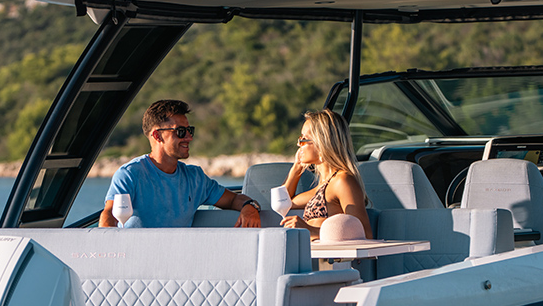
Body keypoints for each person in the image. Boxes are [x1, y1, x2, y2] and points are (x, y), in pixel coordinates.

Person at [99, 99, 262, 228]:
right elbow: (109, 216)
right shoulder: (130, 174)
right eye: (181, 132)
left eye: (190, 131)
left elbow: (234, 200)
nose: (189, 138)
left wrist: (249, 207)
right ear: (157, 136)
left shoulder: (195, 178)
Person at [280, 109, 373, 239]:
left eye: (304, 139)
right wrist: (297, 167)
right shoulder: (324, 186)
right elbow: (284, 201)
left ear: (322, 143)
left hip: (333, 258)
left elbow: (365, 235)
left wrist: (310, 230)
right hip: (314, 255)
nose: (298, 144)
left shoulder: (342, 181)